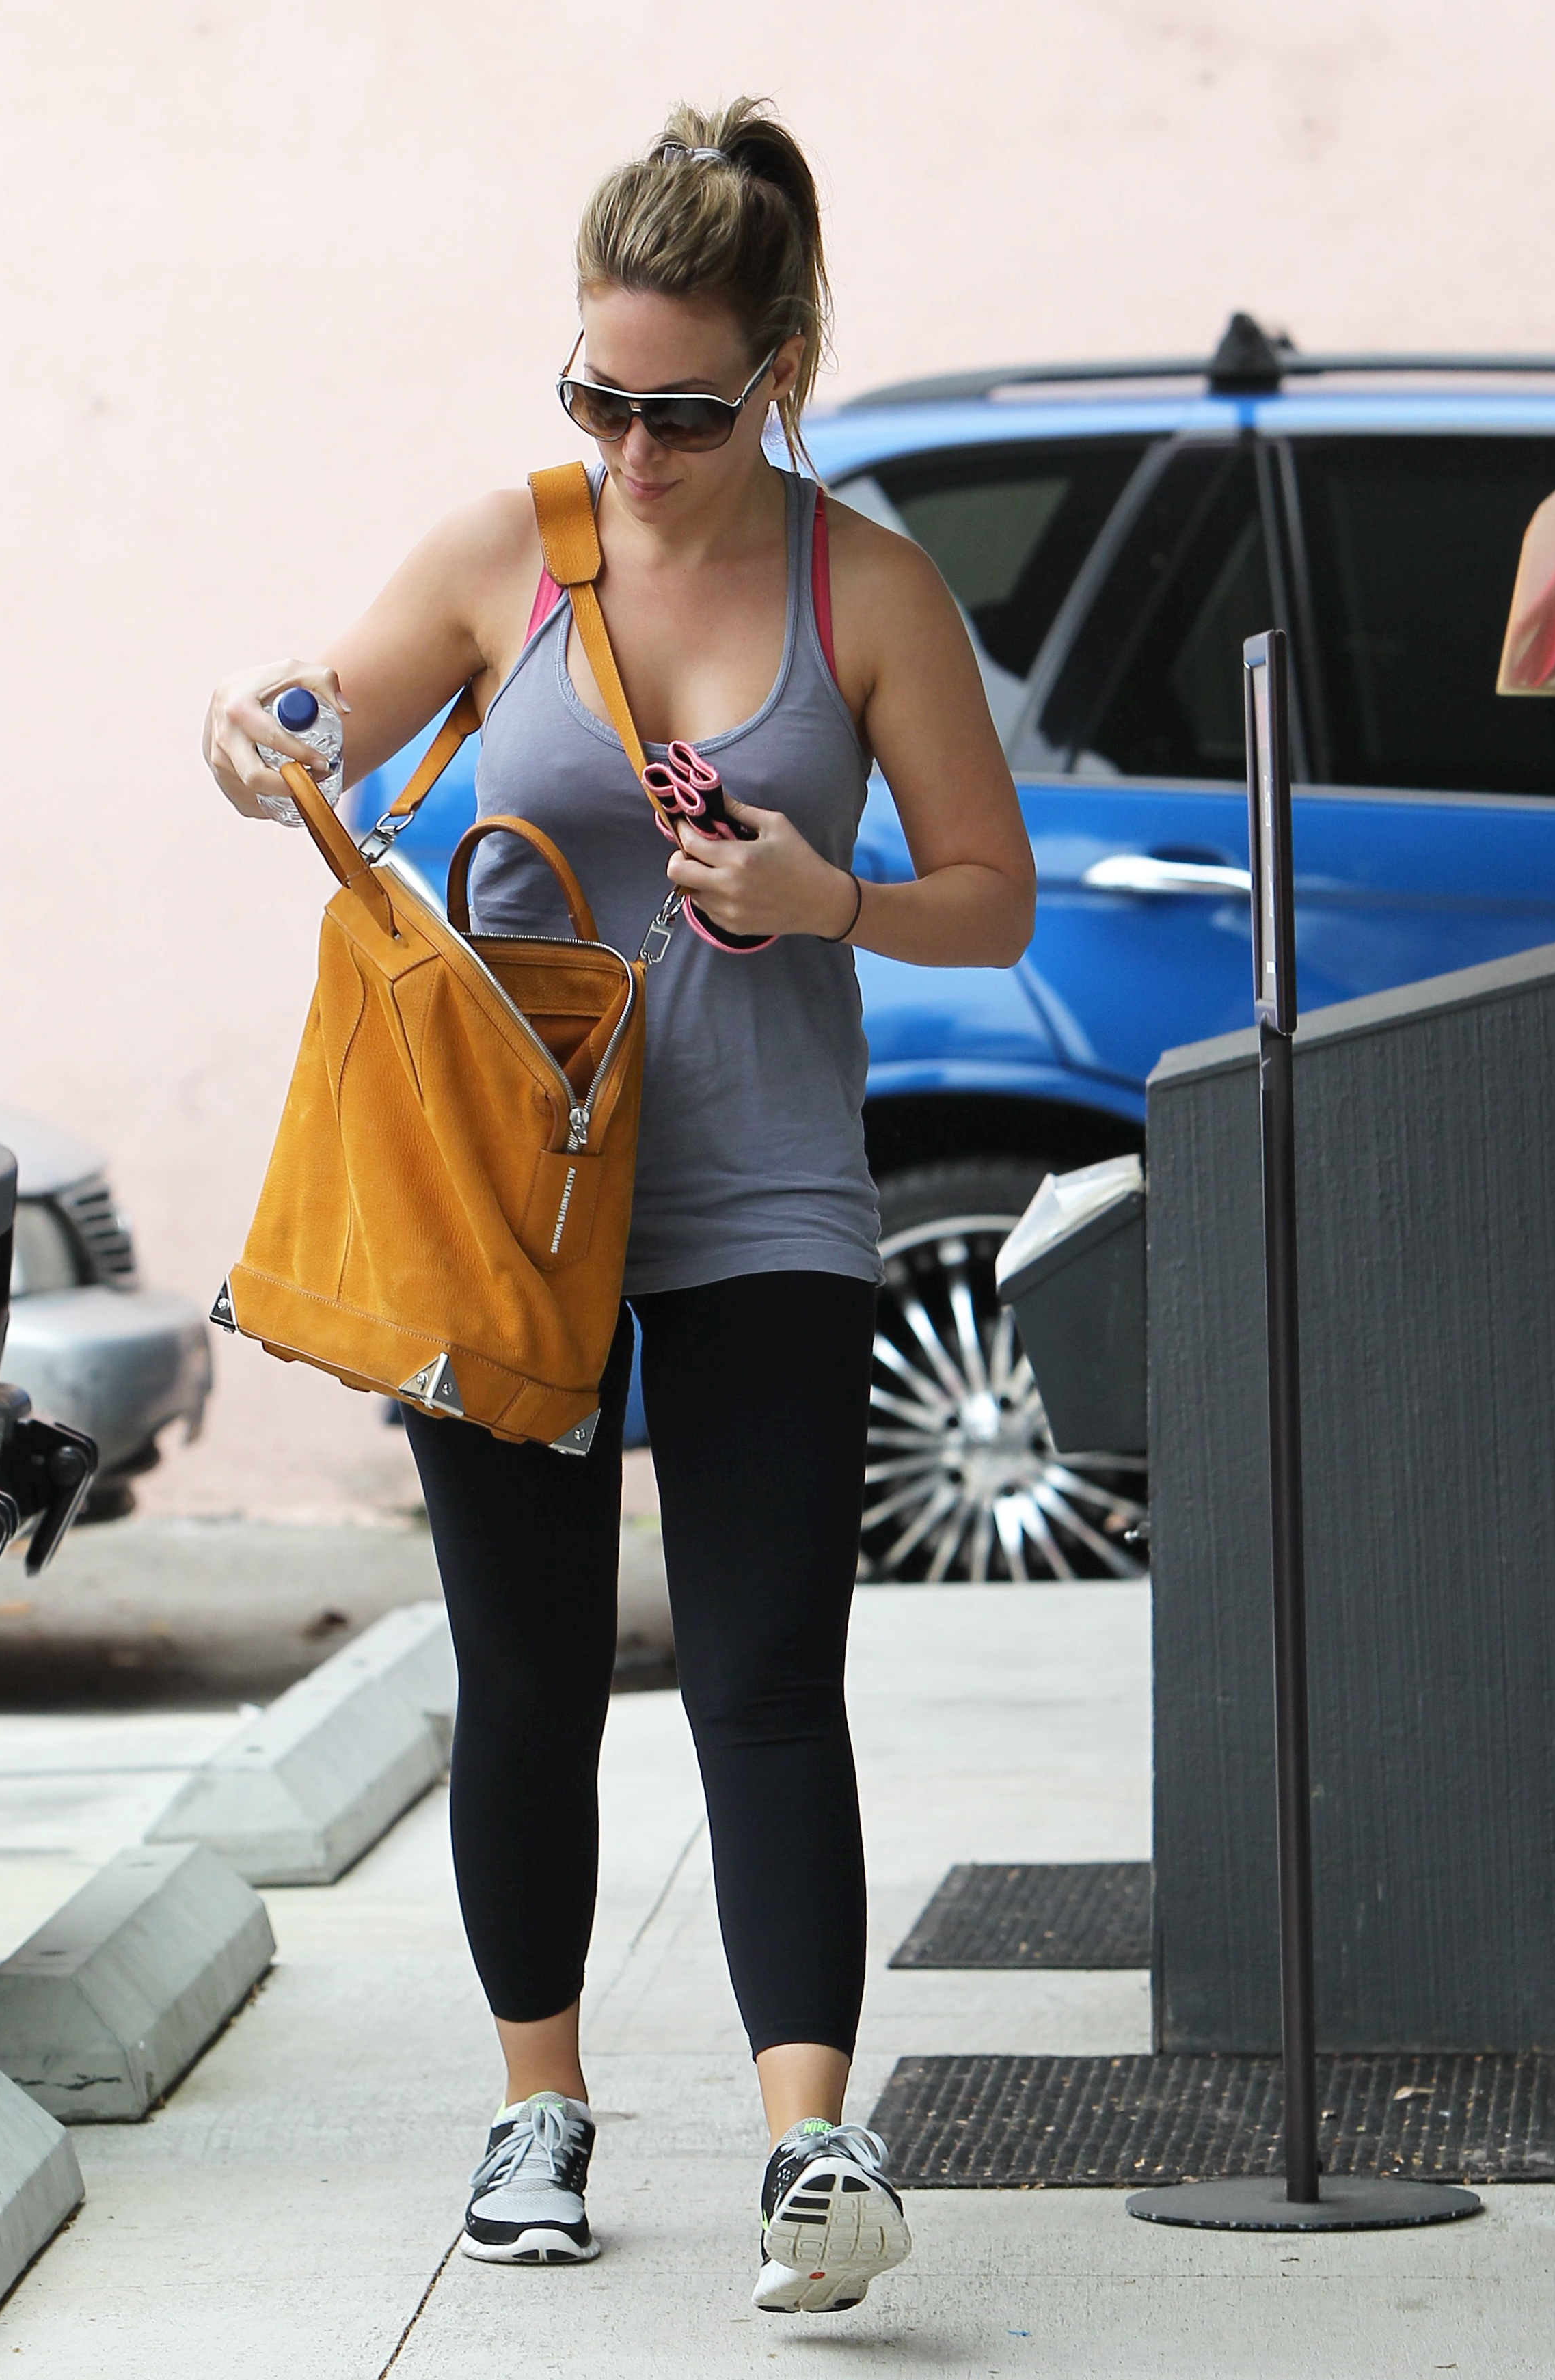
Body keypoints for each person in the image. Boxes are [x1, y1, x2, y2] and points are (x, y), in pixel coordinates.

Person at [202, 96, 1036, 2318]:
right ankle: (537, 2107)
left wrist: (826, 894)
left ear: (779, 372)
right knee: (530, 1670)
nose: (633, 450)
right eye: (598, 396)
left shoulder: (867, 589)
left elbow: (992, 894)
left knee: (765, 1675)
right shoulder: (506, 546)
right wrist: (258, 729)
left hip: (764, 1194)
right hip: (499, 1193)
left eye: (682, 410)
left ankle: (807, 2148)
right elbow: (312, 718)